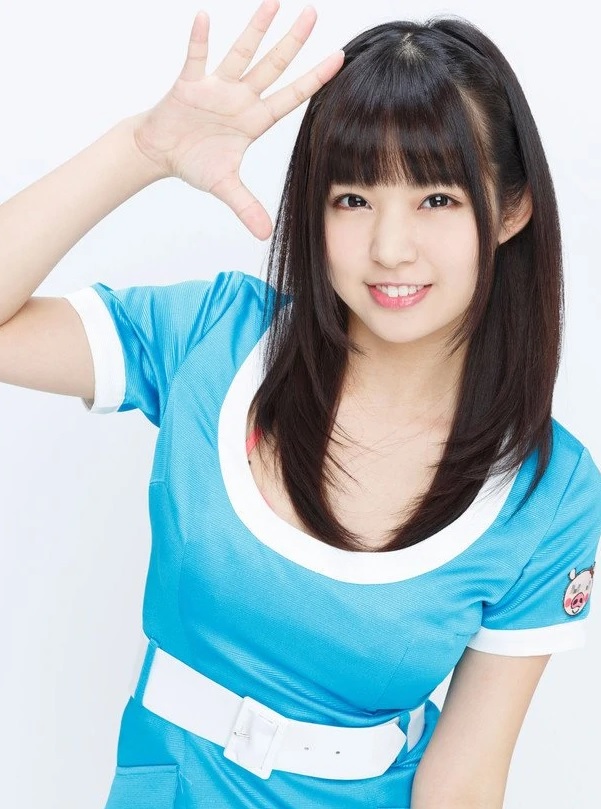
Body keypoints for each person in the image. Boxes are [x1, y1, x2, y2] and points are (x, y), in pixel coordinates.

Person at [1, 1, 600, 806]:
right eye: (353, 198)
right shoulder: (215, 339)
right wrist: (138, 149)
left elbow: (463, 778)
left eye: (436, 200)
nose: (389, 247)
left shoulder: (548, 492)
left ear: (511, 210)